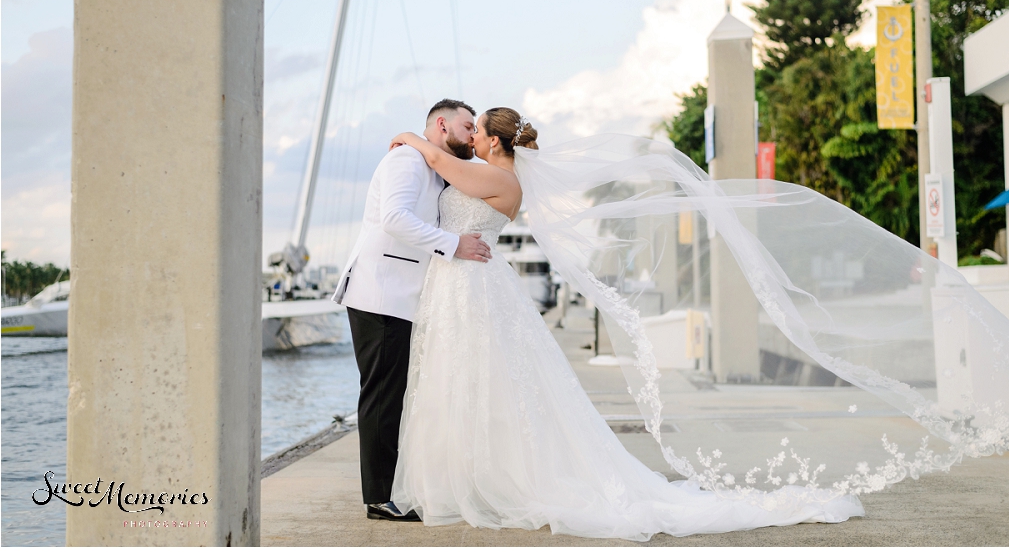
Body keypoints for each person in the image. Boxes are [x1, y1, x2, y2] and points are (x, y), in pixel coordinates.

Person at [383, 108, 867, 540]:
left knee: (482, 378)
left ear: (493, 141)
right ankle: (466, 476)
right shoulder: (489, 173)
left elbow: (440, 163)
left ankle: (491, 480)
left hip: (474, 286)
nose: (471, 139)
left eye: (477, 130)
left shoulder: (504, 181)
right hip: (458, 283)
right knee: (462, 379)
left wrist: (409, 133)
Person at [331, 99, 493, 522]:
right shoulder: (406, 159)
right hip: (381, 292)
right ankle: (380, 499)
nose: (472, 133)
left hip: (404, 296)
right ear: (441, 124)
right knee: (382, 396)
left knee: (396, 395)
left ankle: (392, 489)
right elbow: (395, 219)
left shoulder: (432, 164)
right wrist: (455, 244)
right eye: (466, 125)